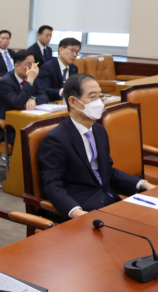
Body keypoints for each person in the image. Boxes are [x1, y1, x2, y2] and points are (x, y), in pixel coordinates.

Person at [38, 73, 155, 221]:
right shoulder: (56, 139)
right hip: (82, 208)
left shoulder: (99, 130)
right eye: (93, 97)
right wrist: (76, 212)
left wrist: (143, 184)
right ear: (73, 102)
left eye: (101, 96)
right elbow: (52, 185)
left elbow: (108, 172)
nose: (99, 102)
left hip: (108, 200)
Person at [0, 50, 47, 146]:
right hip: (7, 126)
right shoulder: (6, 82)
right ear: (16, 66)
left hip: (26, 121)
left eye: (33, 64)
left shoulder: (32, 77)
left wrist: (33, 98)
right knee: (29, 141)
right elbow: (18, 103)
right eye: (28, 64)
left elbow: (44, 96)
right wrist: (29, 81)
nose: (32, 68)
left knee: (44, 135)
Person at [38, 37, 81, 101]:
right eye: (72, 50)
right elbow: (43, 89)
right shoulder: (47, 67)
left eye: (77, 52)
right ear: (61, 50)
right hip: (52, 103)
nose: (75, 55)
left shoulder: (74, 68)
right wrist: (62, 92)